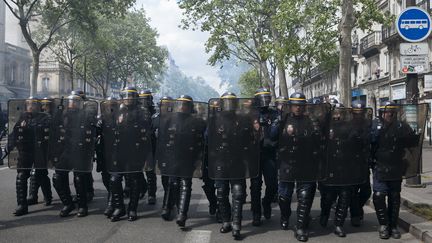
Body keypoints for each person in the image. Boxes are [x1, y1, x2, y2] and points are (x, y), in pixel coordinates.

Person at [208, 92, 260, 240]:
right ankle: (226, 221)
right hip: (220, 160)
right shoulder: (215, 119)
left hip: (237, 160)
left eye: (232, 102)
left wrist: (256, 132)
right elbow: (208, 138)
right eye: (227, 102)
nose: (229, 105)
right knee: (221, 192)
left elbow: (251, 139)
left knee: (238, 194)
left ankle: (236, 224)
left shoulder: (244, 119)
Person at [277, 92, 328, 242]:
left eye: (300, 105)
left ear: (304, 106)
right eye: (295, 105)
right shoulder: (284, 119)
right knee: (283, 197)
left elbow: (319, 139)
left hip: (306, 162)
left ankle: (300, 228)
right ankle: (285, 216)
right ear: (290, 106)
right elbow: (273, 137)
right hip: (287, 162)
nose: (297, 108)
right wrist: (282, 129)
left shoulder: (310, 120)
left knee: (304, 197)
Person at [371, 101, 422, 239]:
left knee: (394, 197)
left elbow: (411, 144)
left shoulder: (402, 126)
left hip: (396, 167)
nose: (390, 114)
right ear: (382, 113)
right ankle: (384, 225)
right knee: (378, 196)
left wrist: (415, 135)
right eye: (388, 112)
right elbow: (367, 144)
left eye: (393, 112)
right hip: (380, 167)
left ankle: (393, 226)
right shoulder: (375, 126)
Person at [51, 94, 97, 217]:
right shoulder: (63, 114)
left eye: (76, 101)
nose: (73, 104)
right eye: (71, 101)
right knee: (58, 177)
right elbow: (53, 126)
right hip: (65, 150)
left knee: (79, 178)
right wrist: (59, 109)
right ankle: (67, 203)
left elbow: (92, 130)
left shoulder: (85, 114)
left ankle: (82, 206)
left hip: (79, 150)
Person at [8, 97, 51, 216]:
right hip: (25, 151)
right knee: (21, 176)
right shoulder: (23, 117)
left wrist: (31, 126)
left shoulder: (44, 117)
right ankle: (22, 205)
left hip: (39, 150)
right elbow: (15, 132)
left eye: (33, 104)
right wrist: (9, 145)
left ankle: (48, 196)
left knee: (40, 174)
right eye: (28, 104)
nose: (30, 106)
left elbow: (47, 131)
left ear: (38, 106)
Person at [250, 88, 279, 226]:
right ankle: (256, 213)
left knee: (272, 185)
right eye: (263, 97)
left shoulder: (274, 113)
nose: (265, 100)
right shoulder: (250, 113)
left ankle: (266, 202)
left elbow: (275, 132)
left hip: (269, 155)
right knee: (255, 186)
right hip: (254, 155)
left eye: (267, 97)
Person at [349, 100, 372, 227]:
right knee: (352, 191)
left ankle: (358, 208)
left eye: (361, 113)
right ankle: (355, 215)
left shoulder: (368, 124)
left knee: (366, 191)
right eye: (356, 113)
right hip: (351, 163)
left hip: (363, 163)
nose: (359, 115)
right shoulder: (347, 125)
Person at [26, 97, 53, 207]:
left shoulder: (48, 117)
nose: (44, 107)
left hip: (44, 148)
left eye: (46, 105)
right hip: (32, 148)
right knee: (34, 172)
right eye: (43, 105)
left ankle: (47, 196)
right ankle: (33, 196)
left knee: (40, 172)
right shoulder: (32, 117)